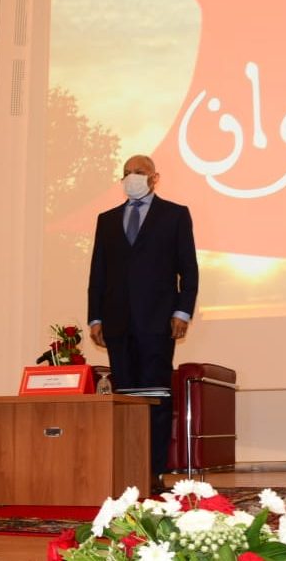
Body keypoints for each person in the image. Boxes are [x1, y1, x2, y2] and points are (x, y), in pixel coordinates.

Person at [87, 154, 199, 490]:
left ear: (154, 177)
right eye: (127, 172)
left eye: (139, 171)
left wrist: (182, 312)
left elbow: (188, 269)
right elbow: (98, 273)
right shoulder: (107, 220)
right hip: (117, 323)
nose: (132, 177)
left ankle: (154, 473)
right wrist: (95, 317)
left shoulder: (175, 215)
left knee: (156, 396)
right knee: (124, 398)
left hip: (158, 321)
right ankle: (126, 472)